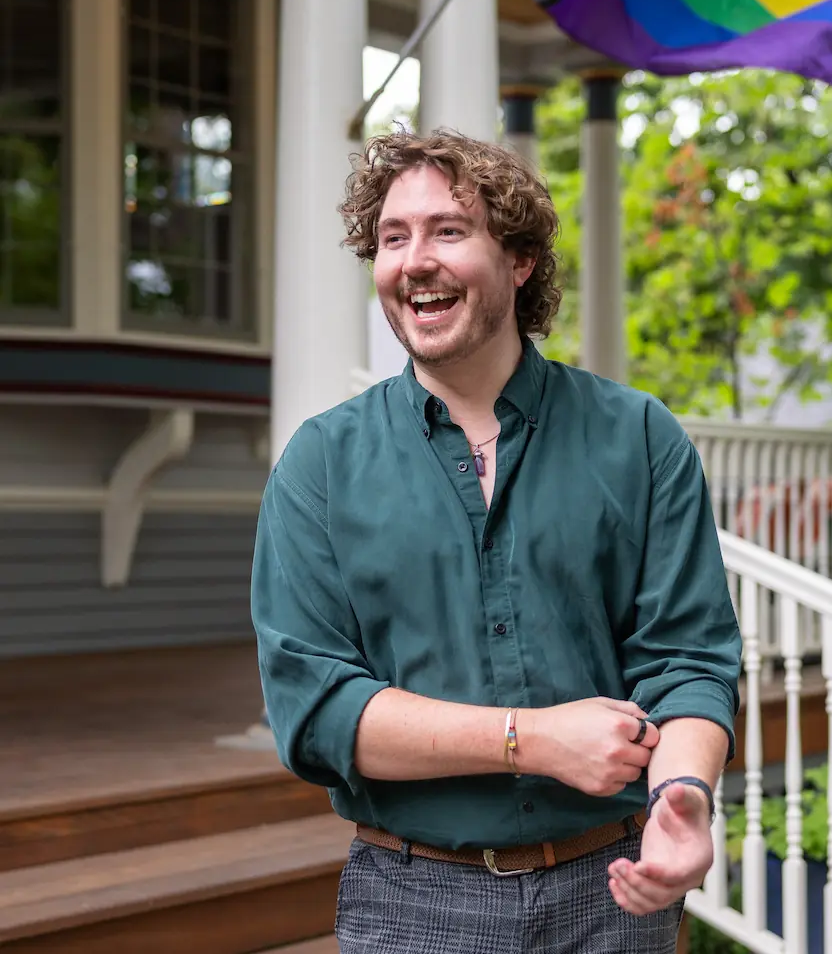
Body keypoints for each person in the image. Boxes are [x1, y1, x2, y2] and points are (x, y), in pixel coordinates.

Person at [250, 129, 742, 954]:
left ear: (517, 259)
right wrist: (532, 737)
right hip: (412, 903)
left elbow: (688, 660)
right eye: (392, 238)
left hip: (611, 894)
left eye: (448, 230)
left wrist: (683, 793)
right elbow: (314, 708)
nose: (414, 260)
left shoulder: (639, 438)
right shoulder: (321, 464)